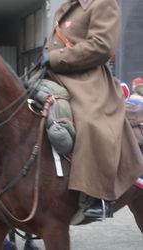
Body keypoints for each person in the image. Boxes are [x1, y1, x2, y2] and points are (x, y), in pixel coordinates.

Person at [40, 0, 143, 219]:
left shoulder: (103, 3)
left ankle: (98, 195)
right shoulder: (68, 6)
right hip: (54, 76)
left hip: (87, 80)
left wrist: (55, 58)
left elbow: (102, 46)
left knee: (90, 121)